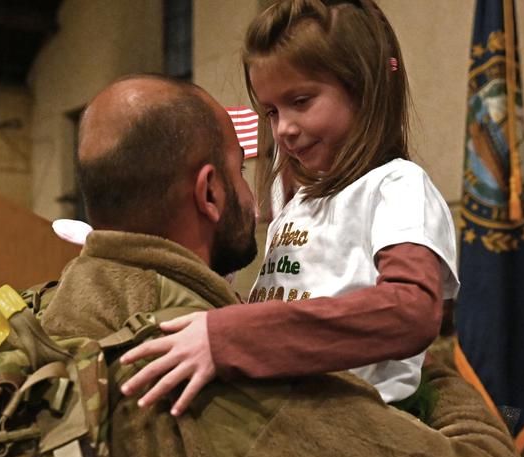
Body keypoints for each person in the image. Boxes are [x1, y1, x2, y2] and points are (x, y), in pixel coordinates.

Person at [38, 73, 524, 457]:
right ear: (209, 194)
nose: (256, 201)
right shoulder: (232, 376)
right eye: (242, 170)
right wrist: (436, 374)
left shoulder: (52, 312)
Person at [121, 0, 459, 418]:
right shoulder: (299, 203)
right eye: (272, 111)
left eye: (301, 101)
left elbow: (411, 311)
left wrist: (233, 337)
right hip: (295, 412)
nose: (284, 129)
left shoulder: (397, 186)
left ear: (365, 88)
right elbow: (288, 306)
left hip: (363, 421)